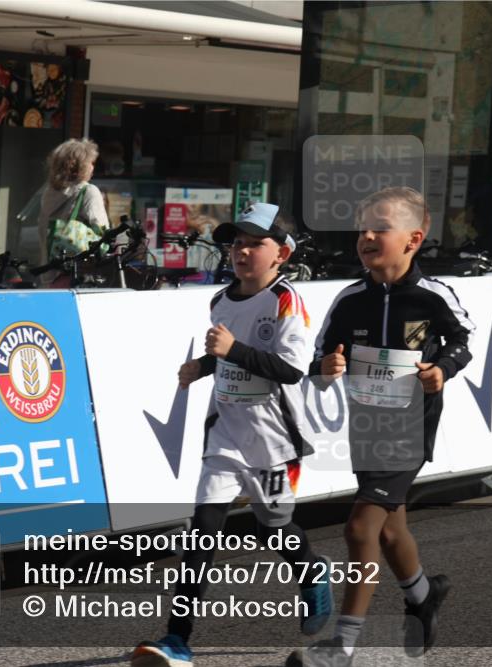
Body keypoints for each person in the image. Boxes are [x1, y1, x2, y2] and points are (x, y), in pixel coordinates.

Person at [131, 203, 333, 667]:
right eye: (237, 243)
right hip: (224, 433)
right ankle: (177, 639)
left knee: (273, 528)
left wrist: (231, 350)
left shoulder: (286, 301)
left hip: (273, 439)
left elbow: (291, 369)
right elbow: (228, 355)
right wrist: (202, 367)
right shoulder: (220, 300)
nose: (242, 251)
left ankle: (310, 570)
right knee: (202, 533)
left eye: (255, 243)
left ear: (281, 253)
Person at [288, 187, 474, 667]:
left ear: (413, 239)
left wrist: (441, 370)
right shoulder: (350, 299)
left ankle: (343, 645)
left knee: (360, 527)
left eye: (380, 228)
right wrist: (327, 366)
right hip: (367, 423)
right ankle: (423, 595)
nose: (367, 237)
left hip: (411, 425)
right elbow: (320, 356)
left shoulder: (433, 295)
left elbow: (463, 339)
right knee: (390, 530)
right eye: (362, 229)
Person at [39, 138, 111, 265]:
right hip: (79, 271)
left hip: (49, 269)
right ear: (81, 167)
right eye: (91, 163)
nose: (93, 167)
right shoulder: (88, 191)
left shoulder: (49, 193)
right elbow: (103, 235)